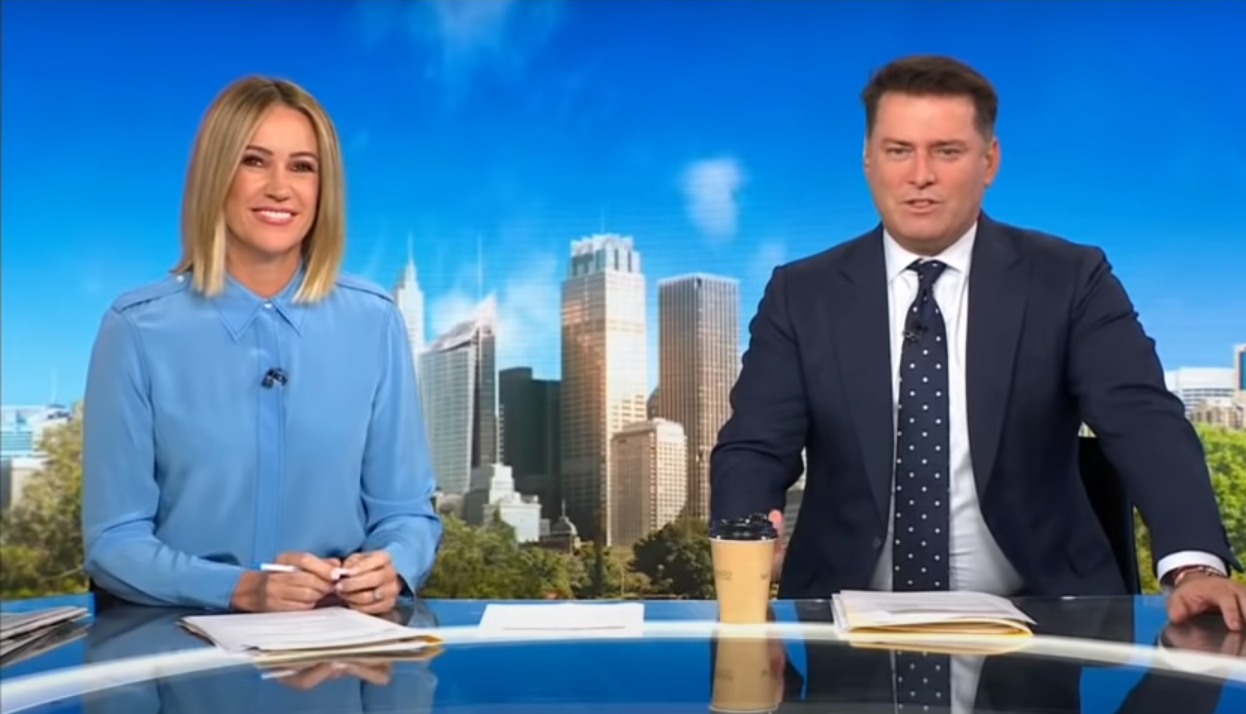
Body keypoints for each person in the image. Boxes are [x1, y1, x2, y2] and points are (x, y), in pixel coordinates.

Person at [708, 54, 1246, 632]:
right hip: (844, 621)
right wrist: (747, 538)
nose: (920, 175)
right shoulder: (801, 293)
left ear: (989, 161)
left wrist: (1194, 567)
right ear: (868, 159)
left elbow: (1143, 420)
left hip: (1043, 626)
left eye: (946, 151)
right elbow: (756, 446)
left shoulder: (1070, 278)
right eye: (898, 150)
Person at [81, 75, 443, 614]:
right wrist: (240, 589)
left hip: (335, 648)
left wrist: (394, 564)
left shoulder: (375, 321)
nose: (280, 188)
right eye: (254, 161)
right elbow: (114, 540)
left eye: (302, 166)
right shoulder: (135, 328)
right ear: (216, 175)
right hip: (181, 645)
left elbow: (406, 512)